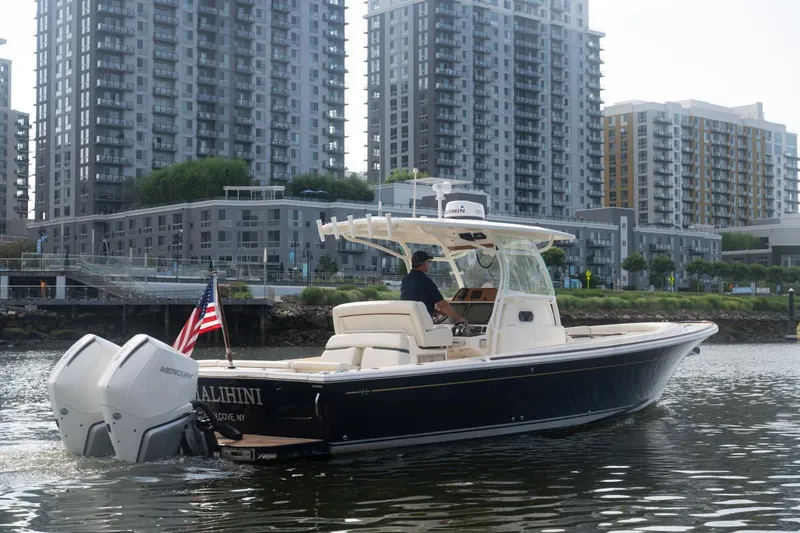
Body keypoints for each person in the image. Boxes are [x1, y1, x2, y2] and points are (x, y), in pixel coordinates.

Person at [401, 251, 464, 323]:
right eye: (428, 262)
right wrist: (459, 319)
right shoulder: (426, 282)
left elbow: (414, 301)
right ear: (424, 264)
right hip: (423, 324)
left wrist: (436, 311)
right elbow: (442, 305)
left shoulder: (405, 280)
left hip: (409, 322)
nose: (429, 264)